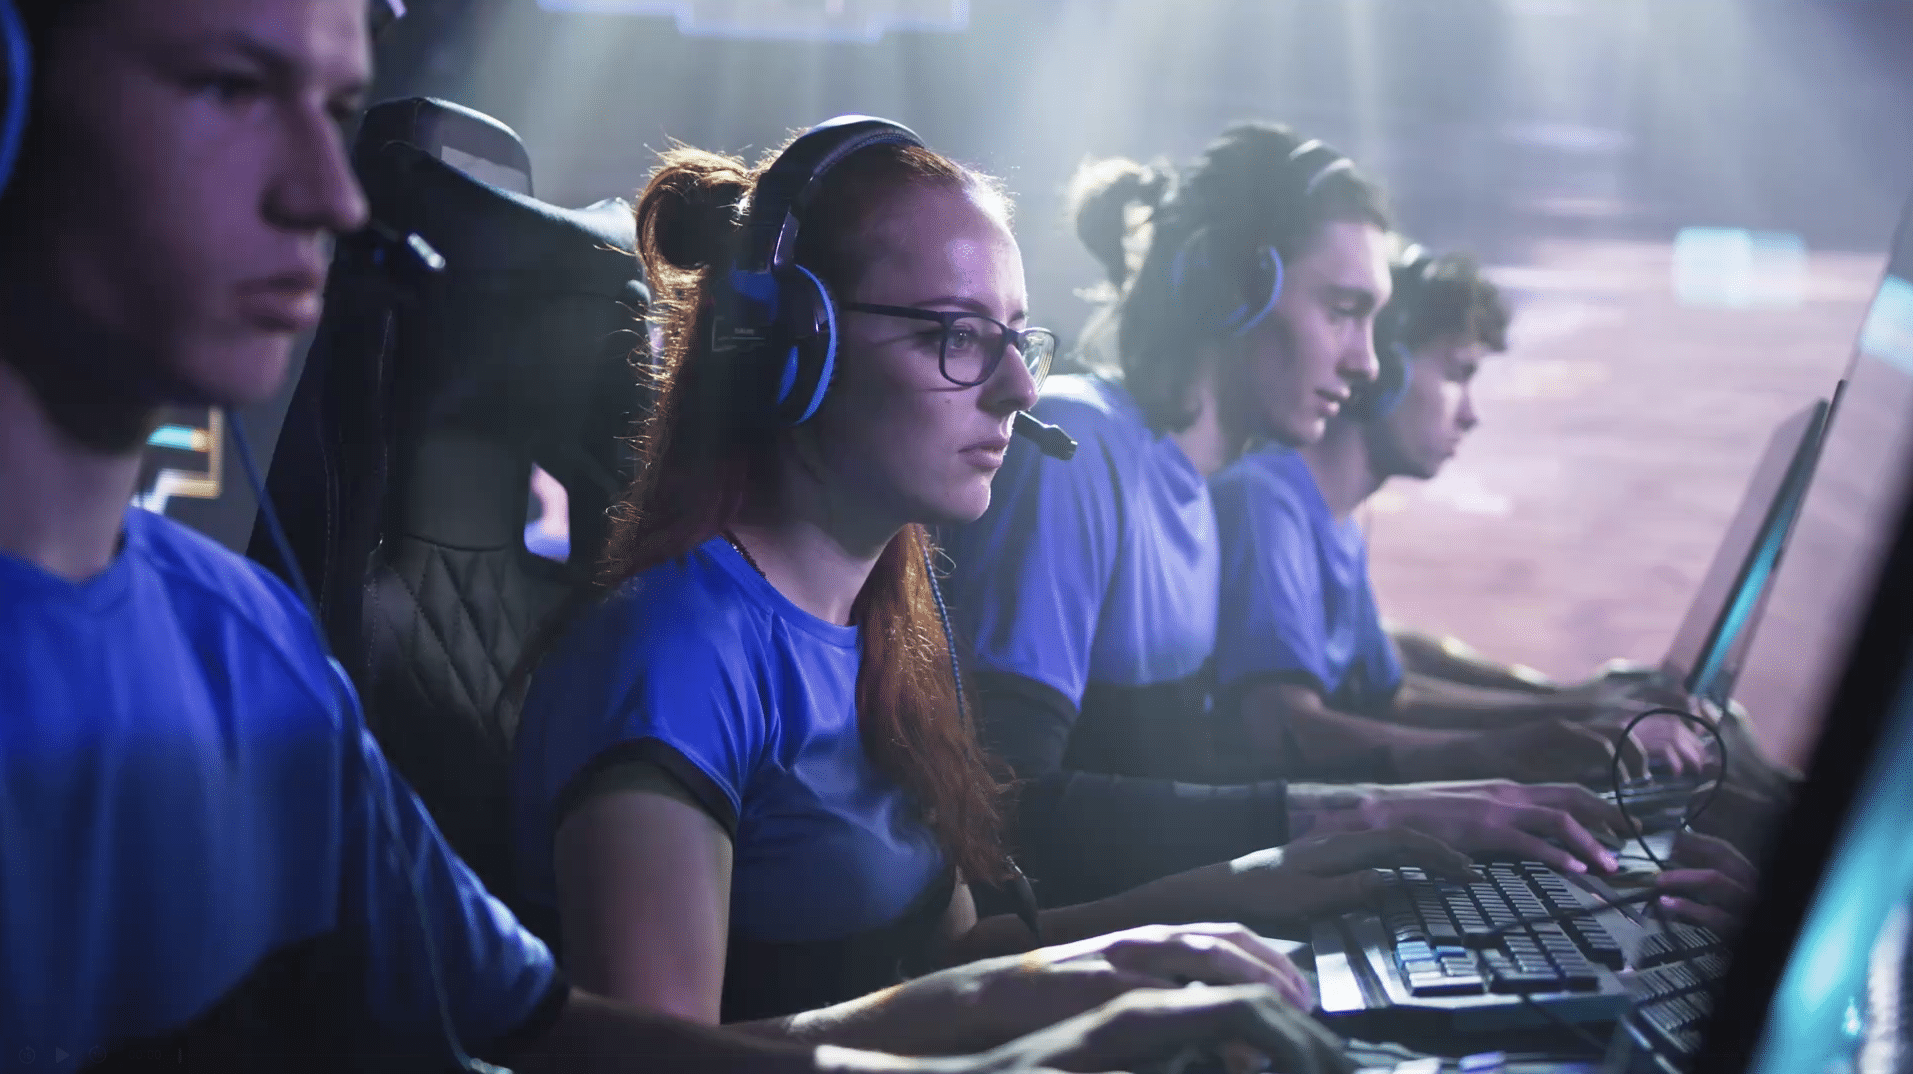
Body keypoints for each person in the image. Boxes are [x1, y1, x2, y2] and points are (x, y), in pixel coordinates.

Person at [0, 3, 1353, 1070]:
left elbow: (565, 1036)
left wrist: (1219, 908)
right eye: (230, 88)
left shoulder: (251, 640)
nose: (333, 195)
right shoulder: (675, 655)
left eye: (340, 112)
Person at [507, 117, 1498, 1046]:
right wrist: (1047, 998)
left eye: (1015, 337)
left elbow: (949, 958)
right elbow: (655, 1063)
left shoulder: (886, 616)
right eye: (955, 336)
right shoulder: (674, 656)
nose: (1019, 388)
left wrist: (1221, 897)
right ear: (797, 346)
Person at [939, 126, 1633, 913]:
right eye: (1342, 310)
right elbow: (1005, 812)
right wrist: (1369, 810)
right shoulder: (1079, 450)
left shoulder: (1200, 487)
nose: (1368, 364)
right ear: (1234, 289)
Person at [1210, 246, 1708, 785]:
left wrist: (1580, 708)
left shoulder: (1336, 520)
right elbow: (1283, 728)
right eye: (1456, 374)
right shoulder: (1266, 501)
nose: (1470, 415)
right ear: (1385, 373)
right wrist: (1529, 744)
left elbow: (1387, 698)